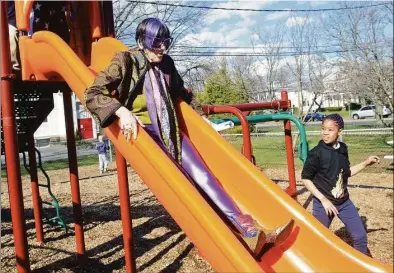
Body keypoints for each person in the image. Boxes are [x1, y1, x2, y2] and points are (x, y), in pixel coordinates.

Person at [84, 18, 294, 258]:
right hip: (145, 136)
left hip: (170, 130)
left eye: (165, 43)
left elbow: (181, 95)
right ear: (142, 42)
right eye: (156, 43)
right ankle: (240, 237)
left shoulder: (167, 64)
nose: (162, 49)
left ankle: (250, 230)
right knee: (188, 188)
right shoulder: (125, 61)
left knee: (204, 177)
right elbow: (92, 93)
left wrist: (200, 120)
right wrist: (122, 111)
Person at [301, 113, 380, 255]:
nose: (325, 133)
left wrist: (366, 163)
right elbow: (306, 179)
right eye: (323, 128)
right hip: (323, 204)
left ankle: (359, 267)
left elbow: (346, 172)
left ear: (340, 132)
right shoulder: (316, 154)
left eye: (330, 129)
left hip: (344, 202)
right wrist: (323, 200)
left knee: (360, 237)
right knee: (316, 239)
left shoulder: (343, 148)